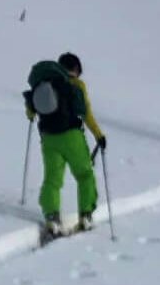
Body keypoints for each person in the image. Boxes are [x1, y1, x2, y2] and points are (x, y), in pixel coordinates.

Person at [24, 52, 107, 237]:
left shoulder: (43, 84)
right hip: (72, 136)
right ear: (76, 69)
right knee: (84, 175)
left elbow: (30, 113)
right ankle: (85, 216)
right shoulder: (76, 85)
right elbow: (86, 113)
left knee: (52, 180)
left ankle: (52, 218)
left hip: (48, 138)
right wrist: (99, 135)